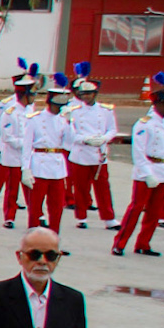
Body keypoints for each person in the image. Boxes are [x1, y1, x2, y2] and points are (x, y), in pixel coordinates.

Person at [113, 78, 164, 257]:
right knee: (136, 208)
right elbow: (139, 152)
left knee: (154, 212)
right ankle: (120, 243)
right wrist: (147, 173)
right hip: (147, 170)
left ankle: (144, 243)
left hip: (163, 170)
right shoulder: (145, 123)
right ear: (158, 103)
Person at [62, 64, 117, 228]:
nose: (85, 96)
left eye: (89, 93)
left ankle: (109, 218)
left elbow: (112, 129)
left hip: (99, 153)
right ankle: (81, 217)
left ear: (95, 94)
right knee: (80, 188)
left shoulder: (106, 110)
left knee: (103, 187)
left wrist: (104, 139)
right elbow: (70, 133)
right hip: (81, 153)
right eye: (83, 93)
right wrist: (85, 140)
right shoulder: (74, 110)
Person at [0, 67, 37, 229]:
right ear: (24, 95)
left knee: (32, 187)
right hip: (13, 154)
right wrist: (25, 144)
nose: (34, 98)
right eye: (31, 94)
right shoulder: (9, 112)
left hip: (28, 155)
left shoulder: (31, 110)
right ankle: (9, 216)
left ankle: (36, 215)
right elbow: (8, 136)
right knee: (12, 188)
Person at [24, 78, 73, 234]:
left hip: (57, 165)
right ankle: (32, 238)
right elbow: (27, 146)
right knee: (35, 206)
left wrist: (70, 123)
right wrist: (25, 169)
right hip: (39, 163)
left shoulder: (63, 120)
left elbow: (69, 144)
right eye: (58, 105)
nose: (60, 109)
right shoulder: (35, 119)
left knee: (57, 207)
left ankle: (53, 239)